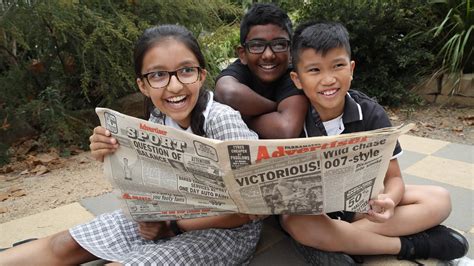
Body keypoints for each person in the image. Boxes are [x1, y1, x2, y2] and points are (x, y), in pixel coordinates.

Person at [0, 24, 262, 265]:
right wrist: (107, 152)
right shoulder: (157, 118)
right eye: (158, 75)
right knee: (62, 244)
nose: (174, 86)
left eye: (186, 70)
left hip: (225, 232)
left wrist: (173, 226)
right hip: (166, 217)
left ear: (202, 75)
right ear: (143, 85)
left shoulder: (221, 120)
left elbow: (247, 213)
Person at [281, 21, 469, 263]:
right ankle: (412, 246)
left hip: (362, 209)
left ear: (351, 68)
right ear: (297, 79)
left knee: (440, 199)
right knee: (295, 222)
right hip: (317, 215)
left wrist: (389, 200)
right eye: (314, 70)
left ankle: (338, 243)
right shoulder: (292, 119)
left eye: (337, 66)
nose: (328, 79)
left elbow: (394, 179)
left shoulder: (369, 112)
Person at [215, 3, 307, 139]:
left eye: (278, 44)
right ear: (242, 54)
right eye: (257, 46)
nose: (268, 55)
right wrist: (275, 107)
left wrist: (242, 118)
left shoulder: (294, 76)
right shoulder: (241, 69)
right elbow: (228, 93)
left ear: (291, 50)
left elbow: (286, 128)